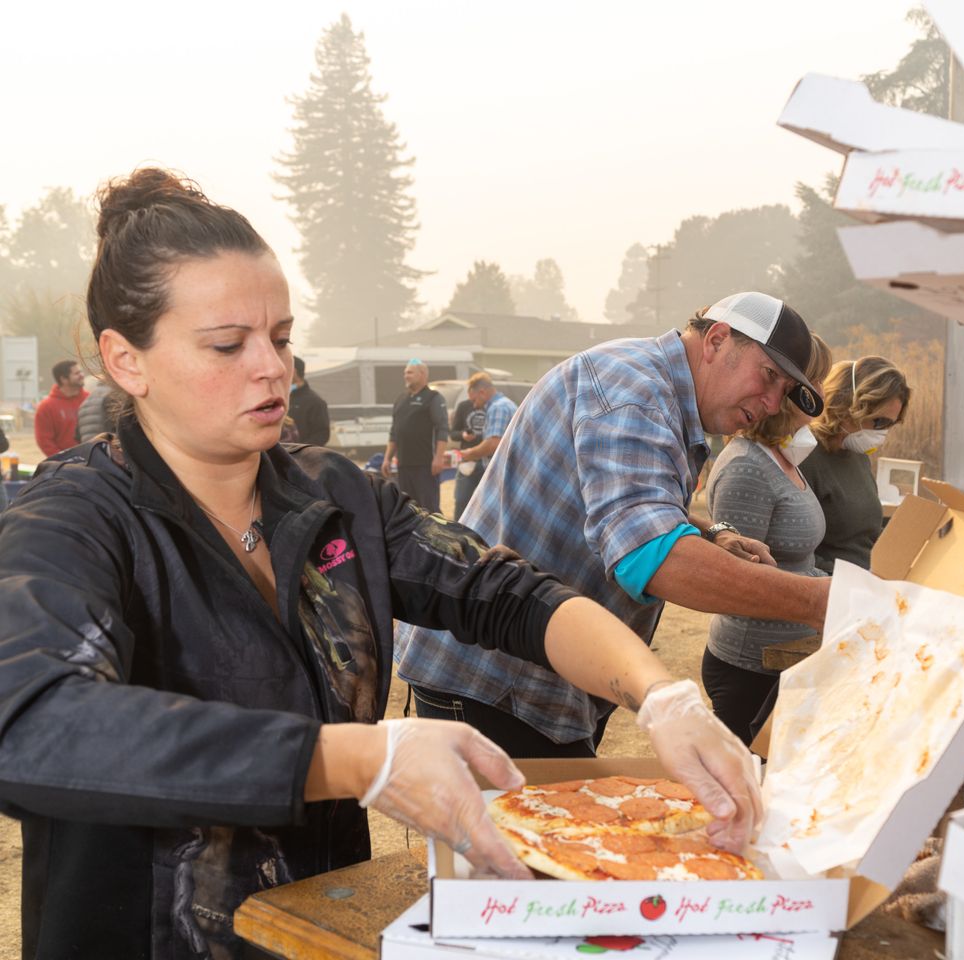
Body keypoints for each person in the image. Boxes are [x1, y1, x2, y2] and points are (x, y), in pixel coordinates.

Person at [0, 168, 760, 958]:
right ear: (126, 361)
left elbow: (505, 593)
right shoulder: (75, 516)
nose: (273, 368)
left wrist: (660, 693)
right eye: (228, 344)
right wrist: (358, 757)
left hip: (316, 924)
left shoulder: (335, 495)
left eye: (283, 337)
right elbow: (34, 725)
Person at [397, 290, 833, 758]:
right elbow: (646, 554)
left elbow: (615, 495)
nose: (771, 404)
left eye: (784, 393)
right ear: (718, 340)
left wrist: (710, 533)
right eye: (769, 376)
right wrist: (821, 601)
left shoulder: (649, 385)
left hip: (531, 679)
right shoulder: (633, 392)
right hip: (495, 680)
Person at [702, 335, 833, 745]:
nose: (824, 395)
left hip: (785, 660)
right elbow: (738, 584)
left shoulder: (781, 458)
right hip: (751, 669)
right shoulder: (747, 468)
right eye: (818, 383)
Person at [802, 356, 912, 572]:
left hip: (870, 579)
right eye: (878, 421)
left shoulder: (856, 453)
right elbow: (797, 554)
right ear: (846, 405)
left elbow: (863, 537)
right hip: (833, 587)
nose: (881, 432)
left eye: (890, 424)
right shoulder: (805, 456)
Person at [382, 360, 448, 512]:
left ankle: (434, 536)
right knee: (408, 508)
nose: (406, 376)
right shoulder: (400, 399)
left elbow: (442, 428)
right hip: (403, 464)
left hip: (425, 465)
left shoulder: (433, 398)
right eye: (405, 372)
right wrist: (387, 458)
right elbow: (395, 431)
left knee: (428, 509)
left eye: (410, 372)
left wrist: (438, 457)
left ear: (423, 374)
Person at [33, 359, 88, 456]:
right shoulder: (46, 407)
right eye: (77, 373)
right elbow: (44, 441)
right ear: (63, 379)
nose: (82, 375)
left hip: (93, 461)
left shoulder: (90, 399)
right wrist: (63, 460)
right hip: (65, 465)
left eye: (81, 372)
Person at [449, 384, 486, 518]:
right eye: (470, 398)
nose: (473, 403)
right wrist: (463, 435)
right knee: (461, 501)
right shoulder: (464, 406)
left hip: (488, 461)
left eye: (474, 398)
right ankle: (457, 534)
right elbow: (453, 433)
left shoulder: (493, 407)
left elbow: (497, 437)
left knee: (486, 503)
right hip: (467, 460)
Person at [289, 356, 331, 445]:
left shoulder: (315, 402)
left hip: (300, 456)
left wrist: (300, 451)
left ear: (294, 372)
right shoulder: (281, 397)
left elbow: (322, 434)